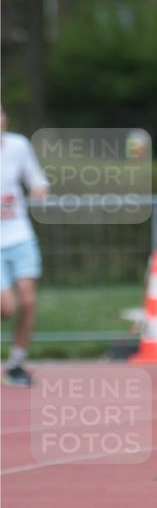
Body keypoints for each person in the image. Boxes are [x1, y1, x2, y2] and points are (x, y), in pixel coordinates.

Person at [1, 107, 49, 386]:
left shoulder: (18, 145)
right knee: (6, 307)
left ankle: (17, 363)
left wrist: (39, 189)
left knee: (28, 300)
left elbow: (36, 178)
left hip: (19, 235)